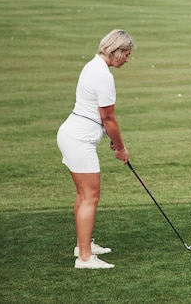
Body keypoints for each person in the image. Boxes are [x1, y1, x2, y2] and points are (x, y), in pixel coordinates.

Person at [57, 29, 136, 269]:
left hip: (72, 134)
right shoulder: (104, 76)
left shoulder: (92, 65)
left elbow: (102, 119)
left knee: (84, 195)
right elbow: (109, 118)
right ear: (116, 51)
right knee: (91, 196)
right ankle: (85, 258)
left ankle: (83, 246)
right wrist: (120, 148)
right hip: (79, 140)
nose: (127, 59)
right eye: (126, 54)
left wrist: (109, 137)